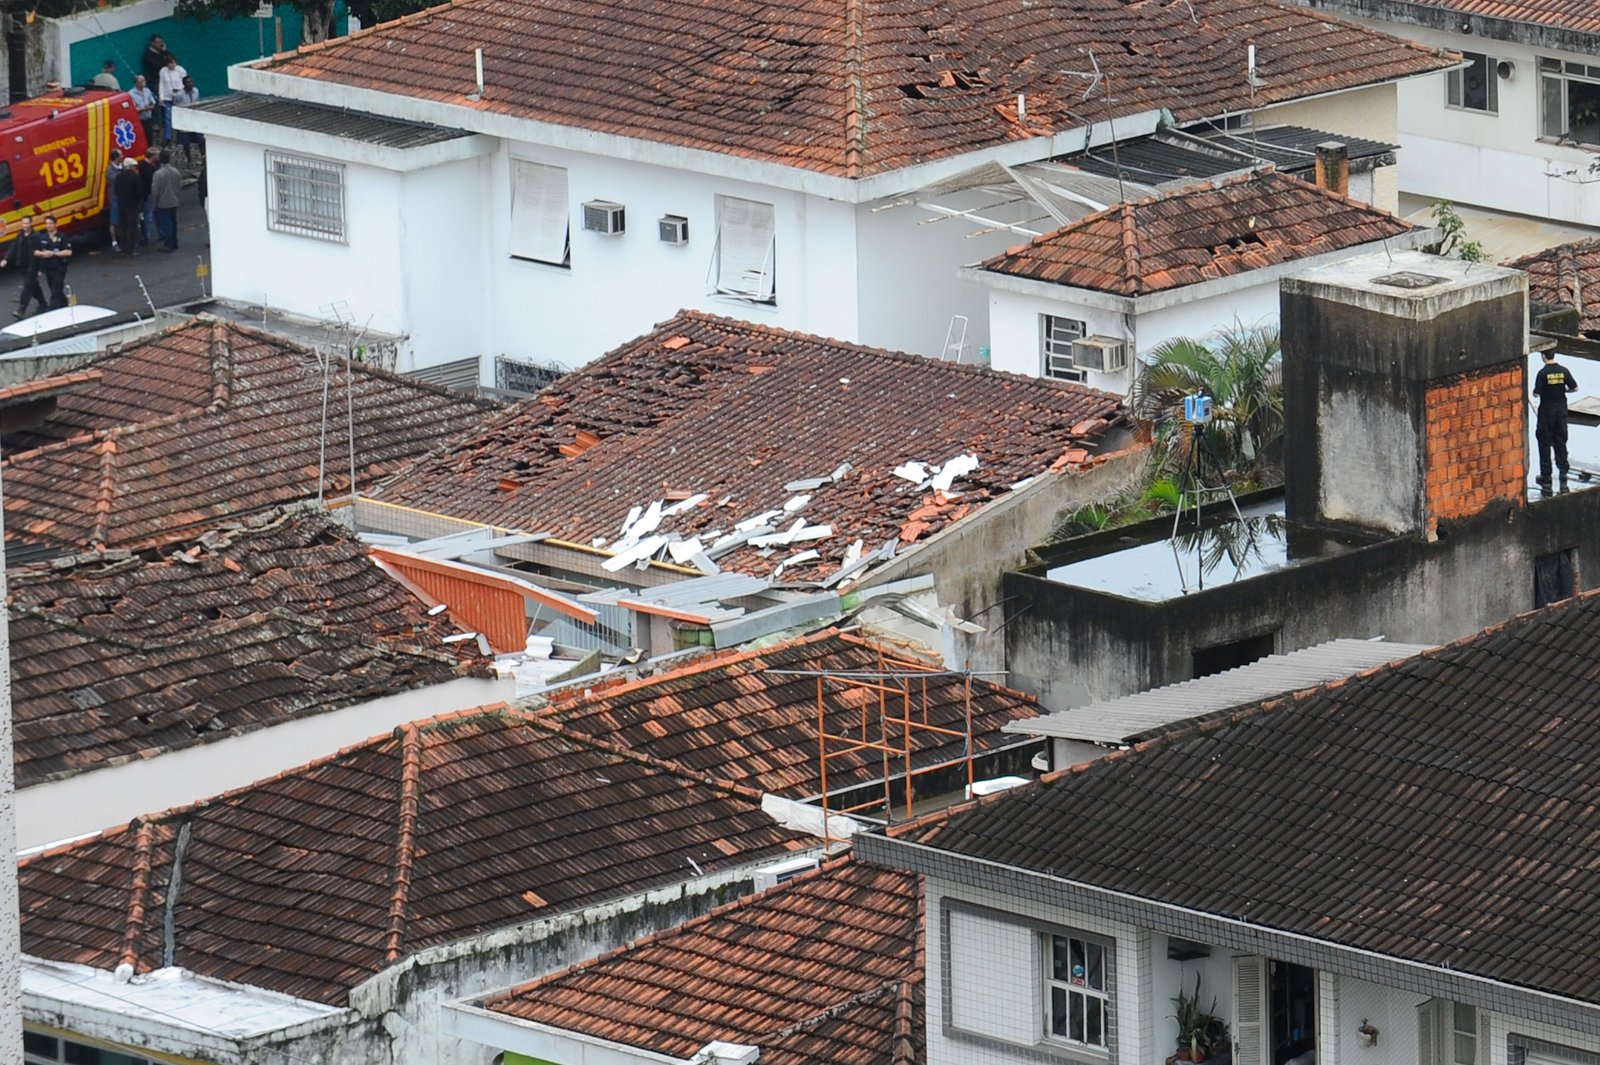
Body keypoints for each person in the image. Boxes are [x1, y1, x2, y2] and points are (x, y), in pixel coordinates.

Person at [1533, 350, 1579, 492]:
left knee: (1544, 443)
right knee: (1560, 441)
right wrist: (1562, 390)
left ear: (1543, 356)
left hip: (1547, 413)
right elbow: (1575, 388)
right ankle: (1563, 473)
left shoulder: (1542, 373)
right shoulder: (1564, 371)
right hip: (1561, 412)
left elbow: (1536, 393)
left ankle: (1546, 477)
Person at [1, 216, 46, 319]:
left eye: (27, 223)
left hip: (33, 265)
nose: (25, 225)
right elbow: (13, 247)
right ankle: (42, 303)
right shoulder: (20, 235)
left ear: (31, 224)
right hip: (23, 265)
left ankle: (21, 309)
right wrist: (5, 259)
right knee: (33, 285)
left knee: (27, 286)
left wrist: (41, 269)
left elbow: (42, 253)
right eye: (23, 223)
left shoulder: (36, 236)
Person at [34, 215, 71, 309]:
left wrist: (54, 254)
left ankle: (52, 309)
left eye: (51, 223)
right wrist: (43, 254)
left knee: (56, 288)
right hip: (47, 267)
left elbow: (68, 251)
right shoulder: (43, 237)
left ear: (55, 224)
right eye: (47, 224)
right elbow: (35, 251)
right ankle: (64, 305)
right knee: (52, 287)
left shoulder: (62, 236)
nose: (49, 225)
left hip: (59, 266)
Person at [151, 150, 181, 251]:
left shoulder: (158, 174)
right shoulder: (176, 172)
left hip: (163, 202)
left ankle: (168, 244)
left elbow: (155, 191)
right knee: (173, 222)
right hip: (174, 200)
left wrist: (154, 203)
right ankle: (174, 241)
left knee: (166, 223)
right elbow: (178, 186)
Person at [113, 158, 143, 254]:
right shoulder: (135, 176)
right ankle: (131, 248)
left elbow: (116, 190)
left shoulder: (119, 176)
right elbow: (139, 191)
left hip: (121, 204)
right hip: (132, 205)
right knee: (132, 226)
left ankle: (124, 247)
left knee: (123, 226)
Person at [157, 53, 187, 146]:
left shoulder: (181, 70)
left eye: (174, 63)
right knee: (167, 118)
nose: (172, 65)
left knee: (180, 116)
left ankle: (180, 136)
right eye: (170, 63)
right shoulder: (163, 71)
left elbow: (185, 83)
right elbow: (161, 84)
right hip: (168, 97)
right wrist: (161, 97)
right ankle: (167, 137)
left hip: (179, 97)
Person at [174, 75, 201, 161]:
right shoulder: (179, 95)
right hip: (184, 120)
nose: (190, 84)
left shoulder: (196, 91)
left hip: (195, 119)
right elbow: (176, 107)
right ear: (184, 84)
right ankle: (189, 159)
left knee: (200, 140)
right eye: (188, 82)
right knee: (186, 142)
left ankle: (203, 157)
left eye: (191, 82)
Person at [129, 74, 157, 148]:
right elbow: (133, 109)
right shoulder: (131, 94)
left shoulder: (147, 91)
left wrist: (150, 107)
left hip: (148, 119)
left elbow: (153, 102)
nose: (144, 82)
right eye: (141, 81)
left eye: (144, 80)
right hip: (138, 121)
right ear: (136, 83)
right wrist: (144, 109)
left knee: (149, 138)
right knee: (140, 138)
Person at [105, 149, 123, 251]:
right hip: (115, 198)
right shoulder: (110, 170)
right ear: (116, 157)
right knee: (114, 221)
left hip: (123, 197)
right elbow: (116, 182)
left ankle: (123, 239)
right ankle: (114, 241)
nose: (123, 156)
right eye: (121, 155)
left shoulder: (123, 166)